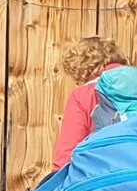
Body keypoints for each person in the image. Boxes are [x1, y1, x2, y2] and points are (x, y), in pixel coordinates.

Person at [51, 36, 128, 166]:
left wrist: (57, 175)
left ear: (80, 68)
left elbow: (68, 153)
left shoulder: (84, 95)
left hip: (104, 171)